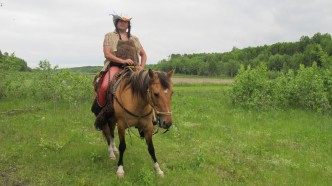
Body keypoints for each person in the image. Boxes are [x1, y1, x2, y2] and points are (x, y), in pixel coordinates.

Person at [91, 14, 147, 117]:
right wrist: (123, 61)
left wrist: (142, 67)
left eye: (125, 22)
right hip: (115, 66)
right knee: (104, 86)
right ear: (116, 23)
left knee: (149, 86)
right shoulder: (109, 36)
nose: (122, 23)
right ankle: (101, 112)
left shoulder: (134, 38)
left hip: (134, 67)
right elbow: (107, 54)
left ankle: (151, 117)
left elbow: (143, 54)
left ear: (128, 25)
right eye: (120, 21)